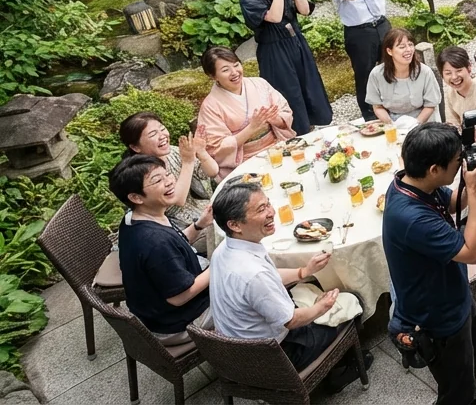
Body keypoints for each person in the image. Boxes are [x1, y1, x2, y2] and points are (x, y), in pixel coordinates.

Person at [383, 123, 476, 405]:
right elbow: (474, 253)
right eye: (456, 163)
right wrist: (475, 193)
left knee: (475, 350)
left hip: (454, 294)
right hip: (437, 317)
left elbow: (452, 202)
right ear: (435, 169)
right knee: (454, 389)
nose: (460, 165)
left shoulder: (411, 181)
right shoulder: (412, 218)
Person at [210, 183, 369, 388]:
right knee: (354, 302)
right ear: (235, 225)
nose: (271, 212)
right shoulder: (252, 274)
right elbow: (291, 321)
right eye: (261, 209)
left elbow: (269, 279)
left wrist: (303, 272)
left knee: (307, 289)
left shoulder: (224, 249)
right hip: (276, 357)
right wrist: (323, 306)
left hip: (239, 351)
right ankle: (340, 372)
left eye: (268, 204)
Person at [109, 155, 213, 345]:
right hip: (179, 323)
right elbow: (179, 297)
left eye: (167, 175)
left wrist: (200, 225)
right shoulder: (154, 242)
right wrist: (219, 266)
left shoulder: (135, 217)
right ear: (135, 197)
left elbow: (175, 246)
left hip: (159, 314)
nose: (169, 182)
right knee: (247, 283)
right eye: (158, 181)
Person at [239, 0, 332, 135]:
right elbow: (273, 17)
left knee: (309, 84)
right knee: (288, 91)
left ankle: (314, 127)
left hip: (296, 42)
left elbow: (305, 10)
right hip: (274, 50)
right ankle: (296, 132)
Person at [319, 0, 403, 120]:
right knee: (365, 75)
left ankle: (397, 107)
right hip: (359, 31)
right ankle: (371, 119)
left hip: (382, 24)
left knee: (394, 66)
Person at [197, 46, 294, 179]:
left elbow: (285, 112)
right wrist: (252, 128)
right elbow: (216, 147)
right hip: (246, 161)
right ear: (213, 76)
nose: (234, 72)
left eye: (236, 65)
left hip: (277, 147)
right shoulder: (210, 106)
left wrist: (274, 119)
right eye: (225, 70)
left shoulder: (260, 84)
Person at [120, 113, 218, 240]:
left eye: (162, 129)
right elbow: (177, 200)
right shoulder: (139, 172)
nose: (162, 136)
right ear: (135, 147)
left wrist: (201, 151)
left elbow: (212, 172)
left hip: (200, 210)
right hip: (179, 228)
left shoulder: (172, 151)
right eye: (153, 134)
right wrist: (188, 162)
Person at [366, 27, 442, 124]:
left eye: (410, 45)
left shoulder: (425, 72)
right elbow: (377, 106)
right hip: (393, 121)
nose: (408, 50)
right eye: (402, 47)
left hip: (424, 121)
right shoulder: (376, 74)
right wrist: (391, 125)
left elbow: (431, 105)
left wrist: (415, 124)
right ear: (389, 51)